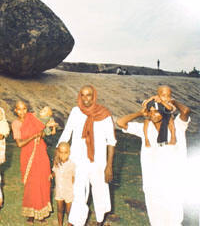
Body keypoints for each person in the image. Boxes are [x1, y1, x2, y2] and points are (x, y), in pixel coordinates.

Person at [116, 87, 190, 226]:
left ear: (163, 111)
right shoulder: (146, 129)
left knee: (174, 221)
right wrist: (140, 113)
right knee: (156, 222)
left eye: (157, 111)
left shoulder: (178, 127)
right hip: (152, 187)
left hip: (172, 186)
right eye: (151, 112)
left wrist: (170, 101)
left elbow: (185, 111)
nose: (154, 114)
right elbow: (120, 123)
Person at [58, 85, 116, 226]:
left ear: (94, 95)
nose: (85, 99)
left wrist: (109, 166)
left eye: (88, 95)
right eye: (82, 95)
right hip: (78, 159)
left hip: (98, 161)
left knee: (99, 190)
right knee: (78, 191)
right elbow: (67, 133)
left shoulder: (105, 114)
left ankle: (100, 220)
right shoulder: (75, 112)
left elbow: (111, 142)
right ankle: (77, 221)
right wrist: (58, 154)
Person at [11, 101, 53, 224]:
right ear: (15, 110)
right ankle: (30, 214)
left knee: (43, 181)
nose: (22, 112)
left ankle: (41, 214)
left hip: (41, 154)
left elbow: (44, 132)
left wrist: (42, 133)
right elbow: (19, 143)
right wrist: (34, 136)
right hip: (27, 155)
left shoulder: (33, 117)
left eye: (24, 109)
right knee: (31, 183)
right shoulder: (16, 123)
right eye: (19, 109)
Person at [51, 142, 75, 226]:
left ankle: (70, 224)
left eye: (66, 153)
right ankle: (60, 224)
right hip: (59, 191)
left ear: (69, 152)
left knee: (69, 211)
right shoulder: (57, 162)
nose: (63, 155)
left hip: (68, 191)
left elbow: (73, 178)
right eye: (61, 152)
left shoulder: (72, 164)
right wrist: (51, 175)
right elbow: (55, 171)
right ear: (58, 152)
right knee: (60, 210)